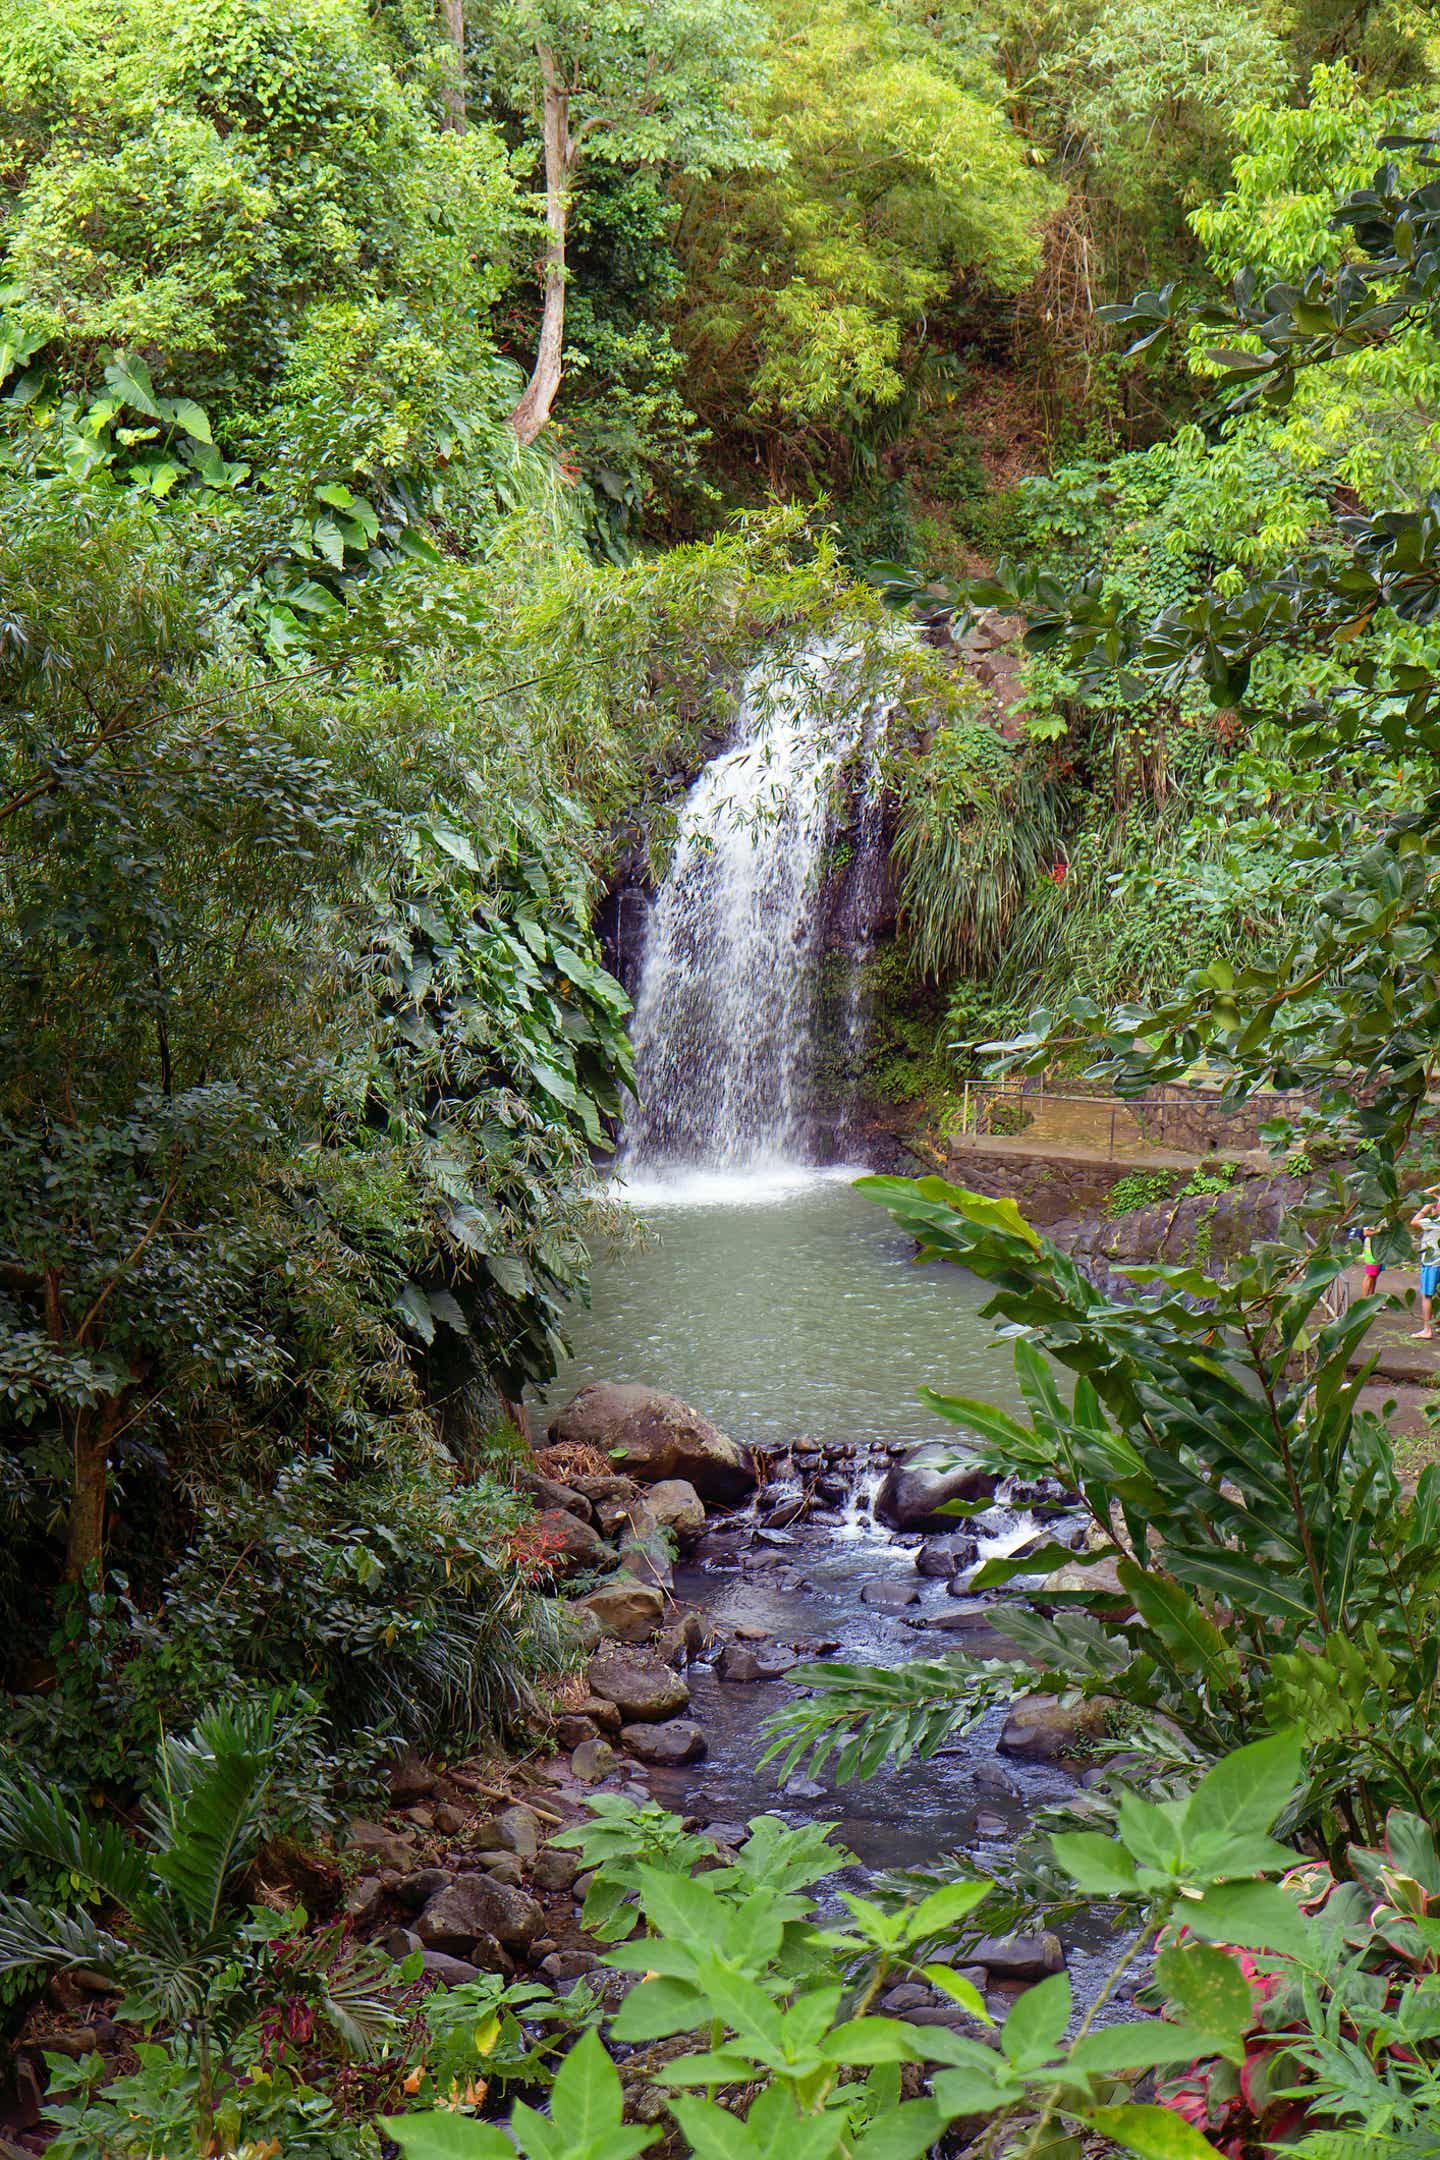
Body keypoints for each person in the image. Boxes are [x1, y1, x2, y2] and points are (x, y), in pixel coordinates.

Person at [1410, 1192, 1440, 1339]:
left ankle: (1427, 1329)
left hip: (1431, 1262)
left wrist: (1426, 1208)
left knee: (1427, 1295)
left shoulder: (1435, 1222)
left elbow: (1414, 1222)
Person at [1358, 1225, 1383, 1297]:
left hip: (1380, 1249)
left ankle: (1371, 1300)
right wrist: (1381, 1232)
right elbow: (1366, 1232)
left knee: (1375, 1275)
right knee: (1370, 1275)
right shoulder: (1370, 1217)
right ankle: (1364, 1301)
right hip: (1371, 1250)